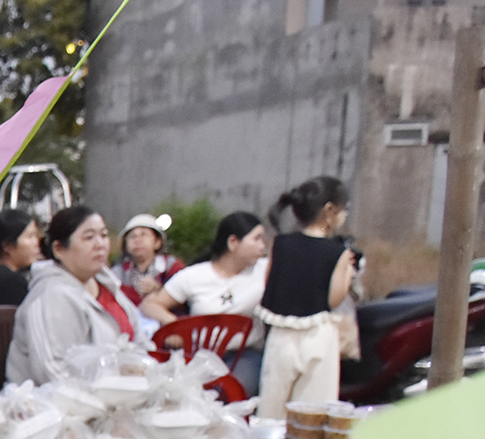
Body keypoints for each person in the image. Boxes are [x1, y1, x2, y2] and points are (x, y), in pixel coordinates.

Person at [6, 206, 145, 385]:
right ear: (59, 249)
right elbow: (52, 373)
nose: (100, 244)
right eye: (89, 237)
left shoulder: (108, 285)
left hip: (122, 396)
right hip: (62, 406)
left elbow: (141, 346)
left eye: (103, 235)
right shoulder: (50, 295)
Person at [255, 175, 356, 419]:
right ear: (330, 211)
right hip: (318, 335)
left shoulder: (281, 243)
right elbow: (332, 300)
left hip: (280, 335)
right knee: (312, 414)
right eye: (344, 209)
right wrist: (348, 273)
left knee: (271, 409)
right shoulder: (339, 253)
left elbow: (269, 284)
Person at [142, 211, 271, 391]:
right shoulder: (194, 276)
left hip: (244, 355)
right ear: (233, 242)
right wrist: (175, 326)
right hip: (198, 355)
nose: (262, 245)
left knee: (237, 387)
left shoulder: (263, 270)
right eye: (256, 239)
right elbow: (150, 305)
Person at [113, 214, 183, 304]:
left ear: (158, 242)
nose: (137, 240)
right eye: (132, 236)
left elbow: (186, 300)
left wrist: (160, 291)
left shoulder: (172, 267)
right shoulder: (117, 273)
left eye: (144, 235)